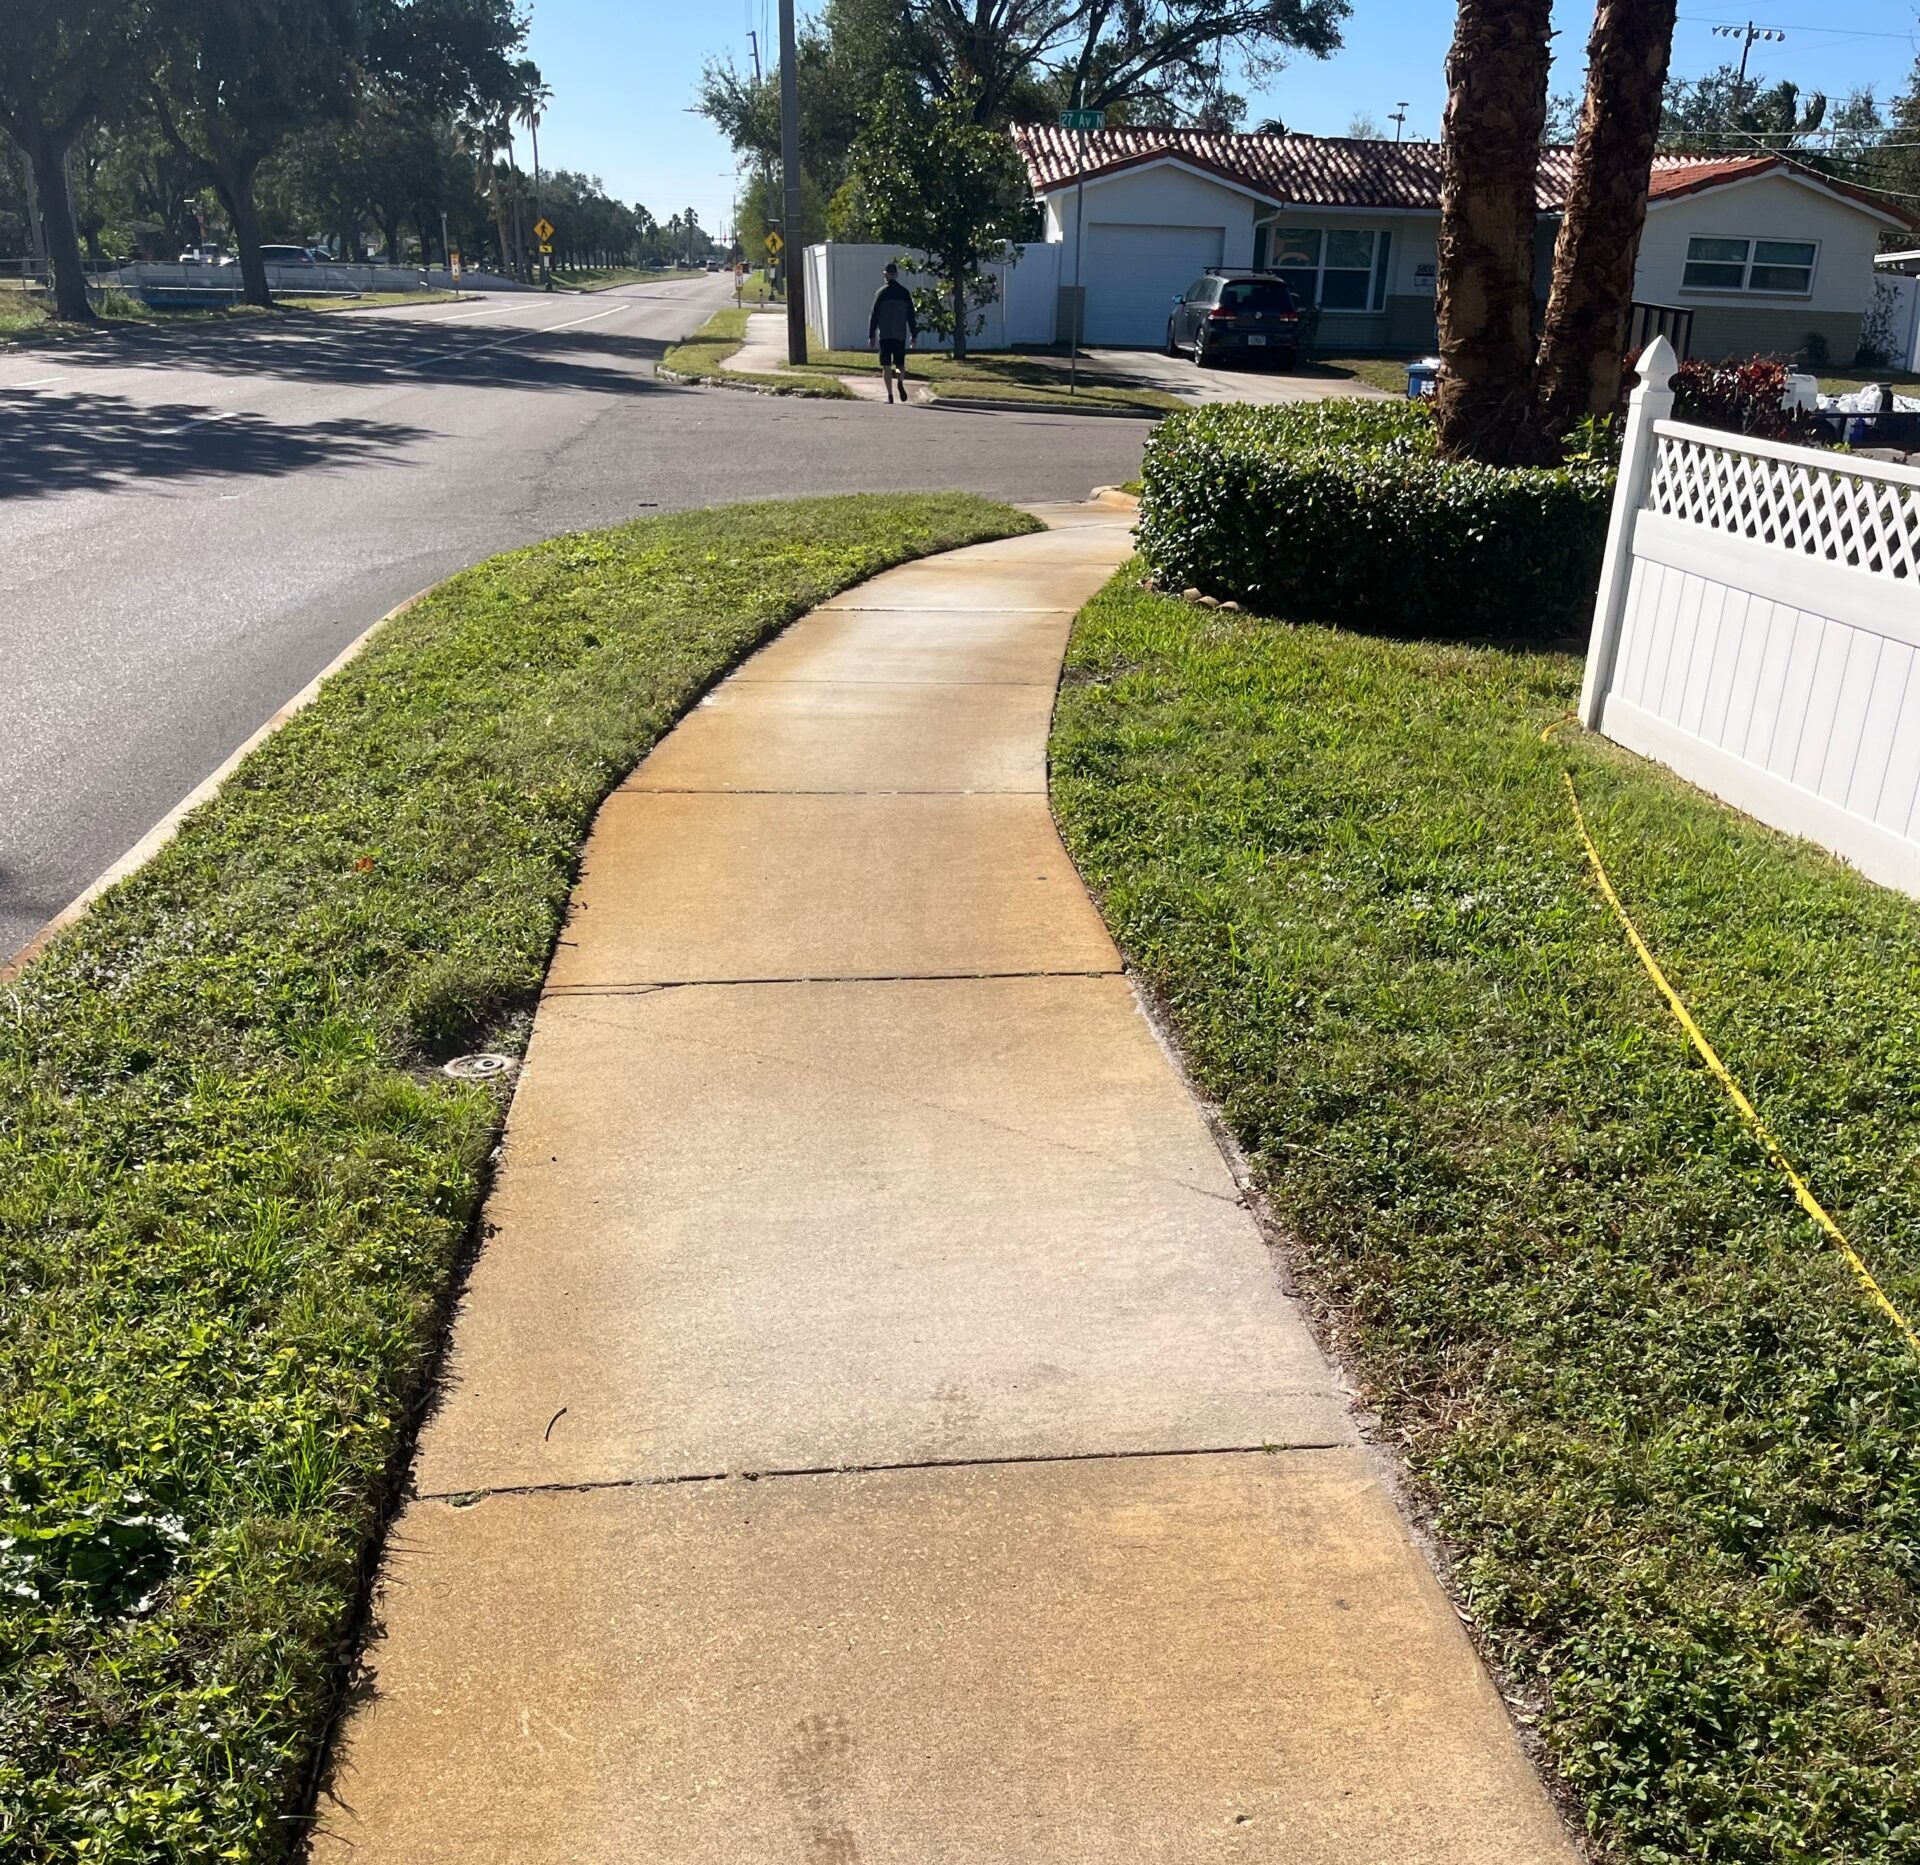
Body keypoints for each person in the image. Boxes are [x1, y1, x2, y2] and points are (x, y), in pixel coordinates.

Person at [867, 262, 918, 405]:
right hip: (900, 334)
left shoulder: (881, 293)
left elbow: (874, 315)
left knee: (886, 365)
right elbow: (911, 316)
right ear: (896, 274)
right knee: (900, 364)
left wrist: (871, 334)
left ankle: (890, 395)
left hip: (885, 334)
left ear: (885, 275)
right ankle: (900, 380)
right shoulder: (904, 293)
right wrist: (914, 334)